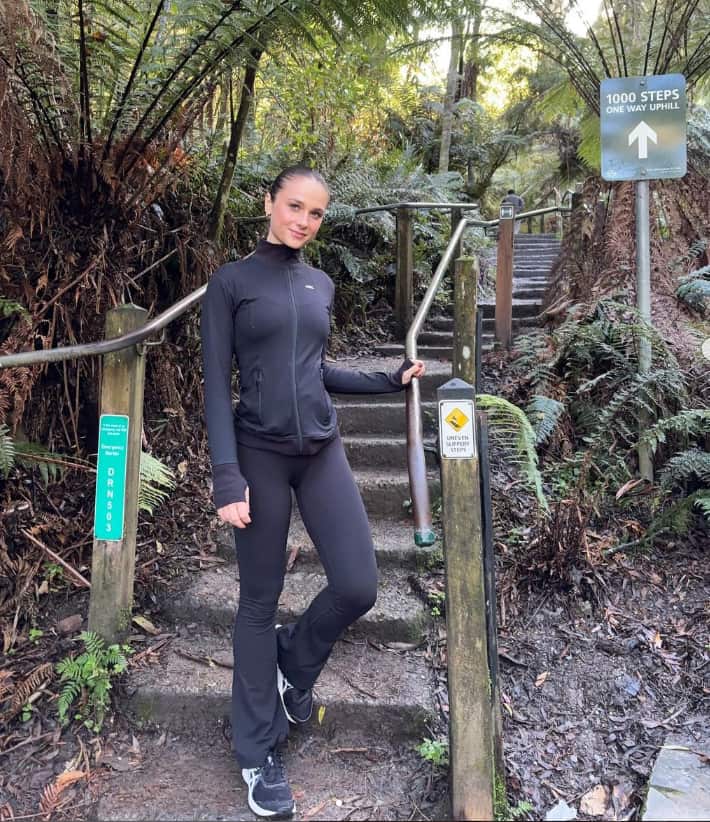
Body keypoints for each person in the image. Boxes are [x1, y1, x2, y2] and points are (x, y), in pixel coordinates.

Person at [200, 166, 425, 819]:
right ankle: (257, 753)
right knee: (257, 602)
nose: (303, 220)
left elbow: (314, 367)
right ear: (269, 202)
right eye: (294, 206)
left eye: (316, 213)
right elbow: (217, 384)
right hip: (259, 456)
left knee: (359, 585)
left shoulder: (319, 283)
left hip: (321, 451)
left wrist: (386, 381)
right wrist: (226, 474)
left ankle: (291, 664)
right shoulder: (231, 283)